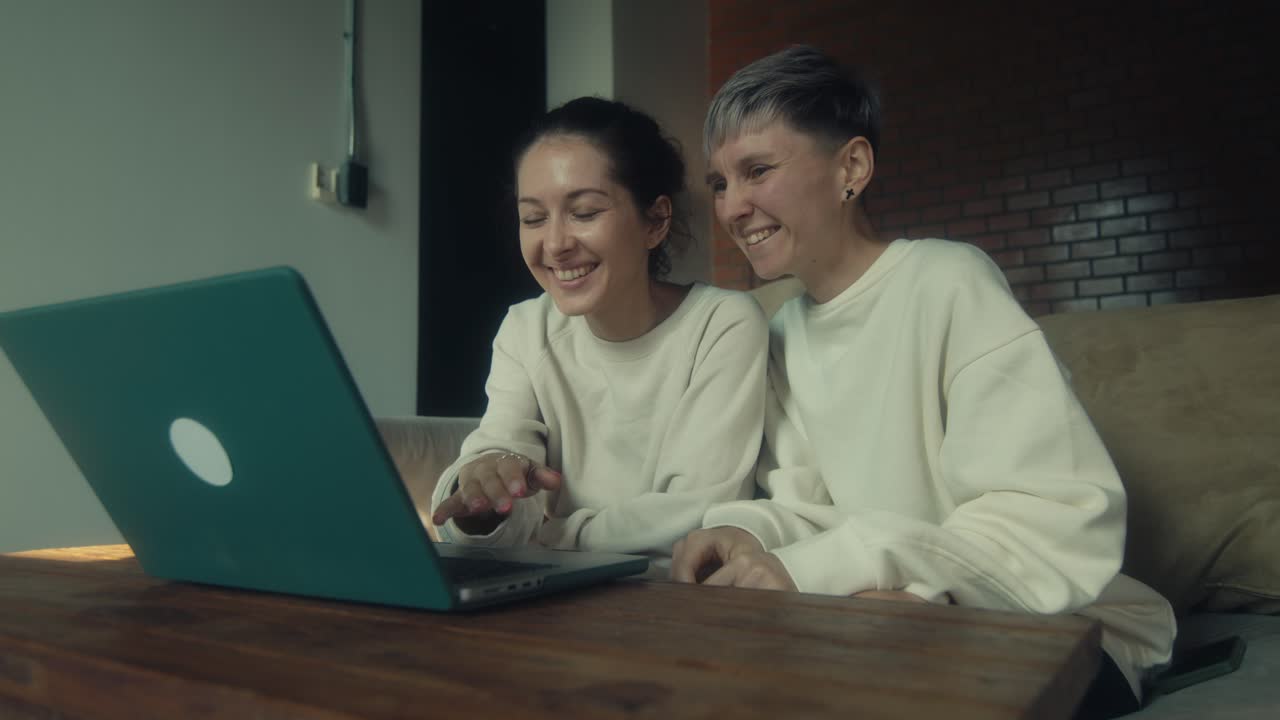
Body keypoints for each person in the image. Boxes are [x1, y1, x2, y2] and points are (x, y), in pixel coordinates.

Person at [670, 46, 1175, 717]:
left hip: (1056, 627)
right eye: (720, 183)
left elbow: (1048, 514)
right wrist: (746, 533)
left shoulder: (947, 280)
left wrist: (874, 586)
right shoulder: (784, 330)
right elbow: (810, 505)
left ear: (851, 167)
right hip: (871, 619)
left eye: (757, 170)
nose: (734, 207)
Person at [429, 97, 768, 568]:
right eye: (533, 218)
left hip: (675, 602)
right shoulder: (526, 329)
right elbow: (494, 469)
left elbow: (697, 514)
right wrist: (482, 495)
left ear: (655, 221)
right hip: (549, 601)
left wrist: (549, 538)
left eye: (584, 212)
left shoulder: (723, 325)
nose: (555, 244)